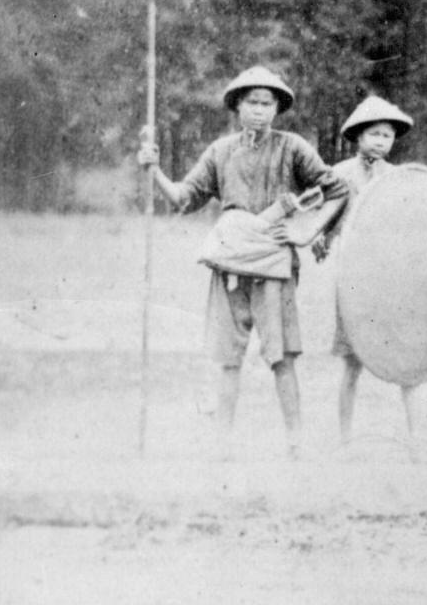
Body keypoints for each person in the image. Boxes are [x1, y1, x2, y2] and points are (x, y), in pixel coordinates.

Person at [138, 66, 346, 459]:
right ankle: (222, 444)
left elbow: (336, 189)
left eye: (267, 104)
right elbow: (184, 198)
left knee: (282, 357)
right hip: (231, 262)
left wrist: (306, 232)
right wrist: (154, 171)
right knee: (228, 358)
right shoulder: (220, 151)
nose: (259, 111)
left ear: (277, 108)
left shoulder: (293, 148)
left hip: (273, 264)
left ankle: (295, 441)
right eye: (252, 102)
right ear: (237, 106)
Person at [310, 95, 416, 451]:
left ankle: (415, 438)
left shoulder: (398, 178)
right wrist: (321, 237)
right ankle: (345, 439)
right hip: (352, 275)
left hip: (388, 278)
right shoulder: (339, 173)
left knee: (405, 360)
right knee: (351, 363)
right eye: (374, 134)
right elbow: (325, 215)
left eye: (387, 135)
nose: (380, 141)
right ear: (358, 136)